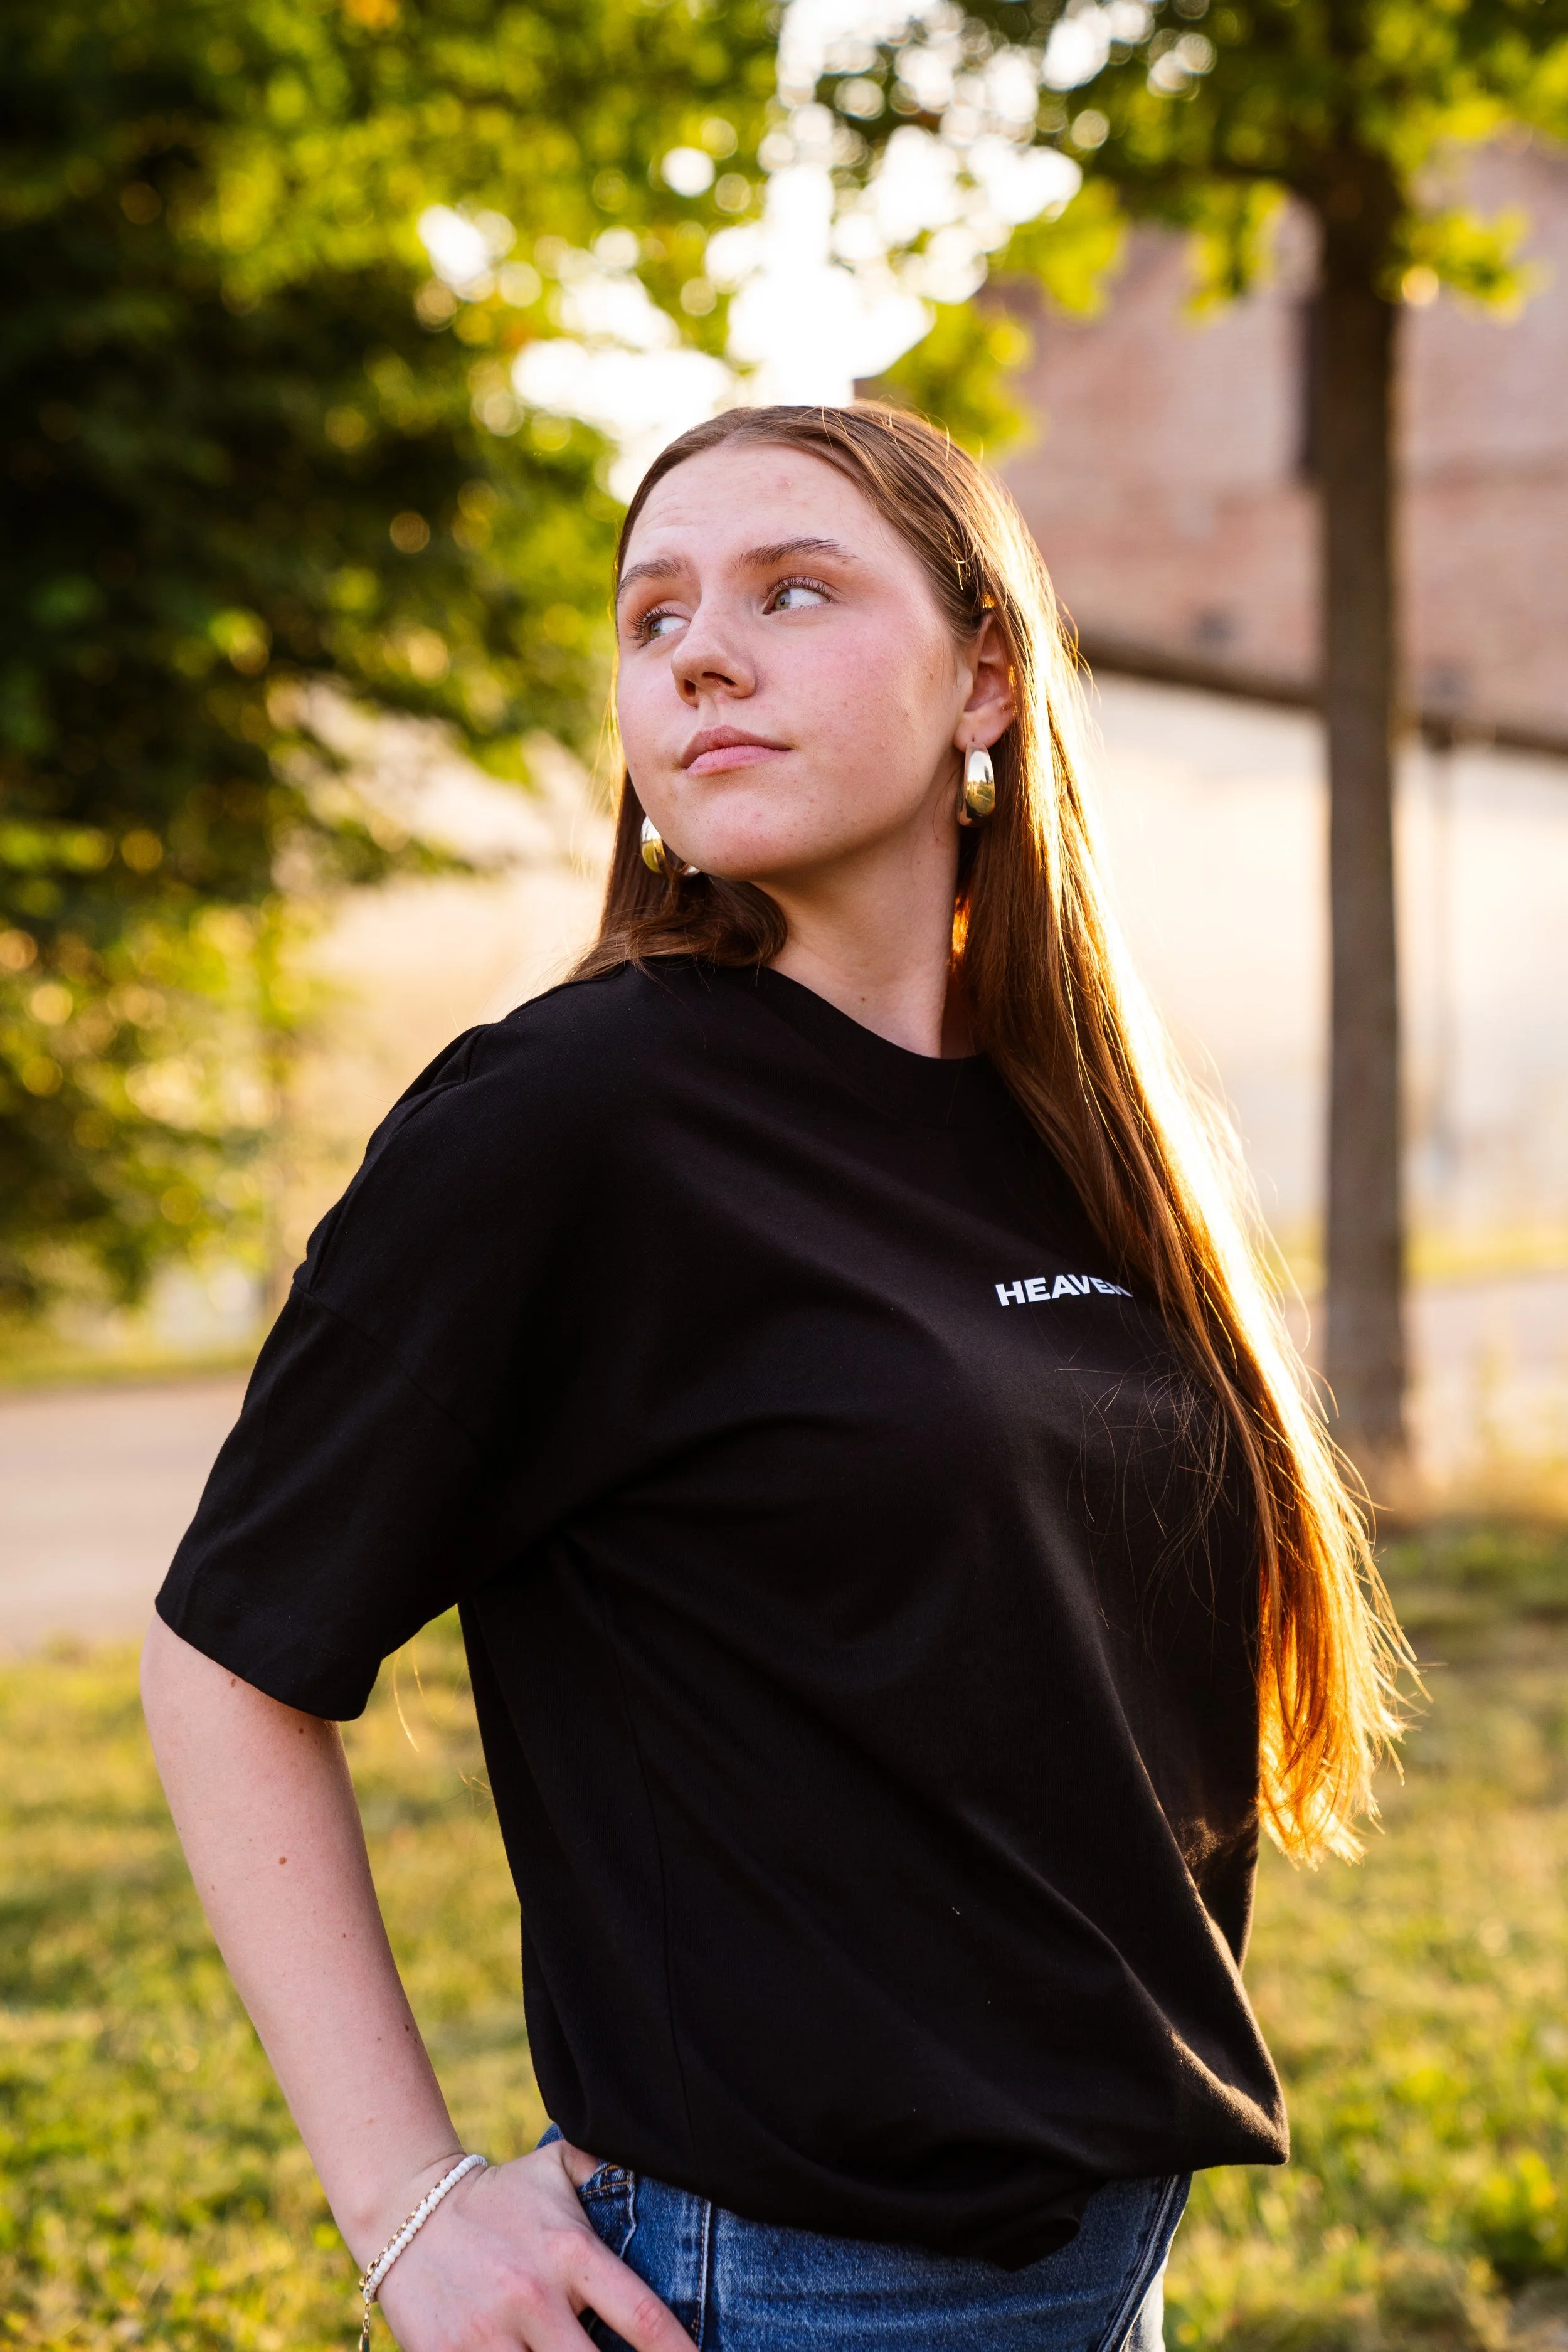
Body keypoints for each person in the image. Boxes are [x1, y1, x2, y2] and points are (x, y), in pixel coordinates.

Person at [142, 404, 1406, 2352]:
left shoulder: (1063, 1121)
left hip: (1102, 2272)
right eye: (652, 618)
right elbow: (227, 1658)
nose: (697, 653)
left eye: (789, 589)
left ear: (986, 671)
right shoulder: (568, 1116)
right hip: (781, 2294)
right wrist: (410, 2208)